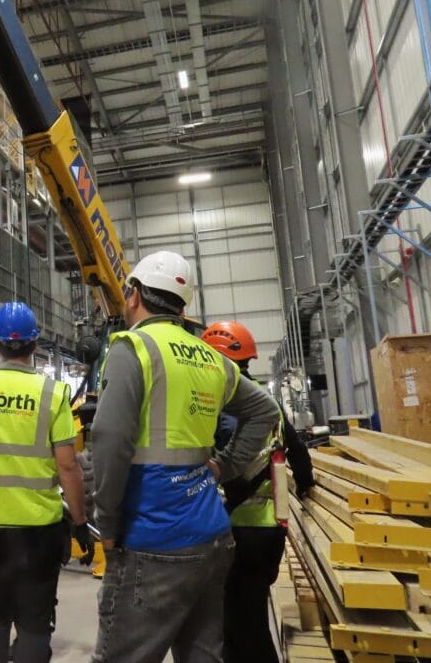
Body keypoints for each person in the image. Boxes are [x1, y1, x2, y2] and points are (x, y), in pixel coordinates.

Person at [90, 251, 281, 663]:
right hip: (212, 535)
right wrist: (224, 465)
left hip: (152, 537)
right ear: (181, 305)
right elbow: (265, 411)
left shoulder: (134, 348)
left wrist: (106, 522)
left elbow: (109, 440)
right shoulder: (210, 357)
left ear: (135, 294)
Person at [0, 302, 93, 663]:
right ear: (35, 344)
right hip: (39, 529)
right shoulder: (52, 393)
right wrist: (79, 522)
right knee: (34, 618)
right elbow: (68, 466)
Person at [202, 321, 315, 663]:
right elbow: (298, 451)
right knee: (245, 616)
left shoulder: (228, 406)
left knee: (241, 625)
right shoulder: (267, 402)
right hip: (270, 526)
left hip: (240, 528)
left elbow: (220, 463)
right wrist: (306, 486)